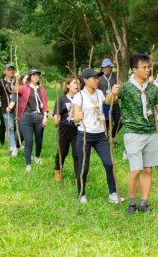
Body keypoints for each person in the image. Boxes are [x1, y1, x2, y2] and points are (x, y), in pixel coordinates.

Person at [106, 54, 158, 216]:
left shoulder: (152, 88)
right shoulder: (125, 87)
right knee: (136, 170)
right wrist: (113, 93)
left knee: (147, 170)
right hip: (133, 133)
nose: (148, 70)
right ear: (134, 69)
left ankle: (144, 203)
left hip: (151, 133)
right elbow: (108, 102)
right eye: (144, 67)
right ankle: (132, 203)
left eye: (149, 67)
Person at [73, 68, 122, 204]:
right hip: (84, 135)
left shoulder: (100, 93)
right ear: (85, 80)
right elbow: (75, 119)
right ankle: (81, 194)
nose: (97, 80)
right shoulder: (79, 96)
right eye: (94, 78)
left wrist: (113, 93)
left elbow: (106, 104)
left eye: (97, 77)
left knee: (109, 163)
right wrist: (78, 117)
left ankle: (112, 193)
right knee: (84, 166)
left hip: (100, 135)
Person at [15, 69, 48, 172]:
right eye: (34, 75)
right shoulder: (24, 88)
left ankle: (37, 157)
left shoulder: (41, 89)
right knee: (29, 141)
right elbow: (15, 91)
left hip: (39, 117)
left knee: (39, 141)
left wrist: (45, 117)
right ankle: (28, 164)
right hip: (27, 116)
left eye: (38, 75)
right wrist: (17, 80)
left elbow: (45, 103)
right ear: (29, 77)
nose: (36, 76)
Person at [52, 76, 80, 182]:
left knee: (77, 153)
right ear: (68, 85)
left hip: (77, 129)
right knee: (62, 152)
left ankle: (78, 176)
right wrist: (56, 119)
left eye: (79, 83)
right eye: (74, 83)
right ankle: (58, 170)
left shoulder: (81, 98)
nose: (77, 85)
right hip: (64, 129)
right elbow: (56, 114)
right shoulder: (61, 99)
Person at [0, 63, 18, 156]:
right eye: (9, 70)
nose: (11, 71)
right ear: (4, 72)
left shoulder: (17, 81)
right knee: (10, 127)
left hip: (18, 109)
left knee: (17, 128)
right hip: (5, 108)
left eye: (12, 69)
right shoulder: (1, 82)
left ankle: (15, 144)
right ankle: (12, 147)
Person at [98, 58, 122, 145]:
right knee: (107, 123)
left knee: (119, 121)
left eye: (109, 67)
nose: (107, 69)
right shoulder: (99, 78)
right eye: (105, 67)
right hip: (105, 104)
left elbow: (119, 88)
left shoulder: (116, 76)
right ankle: (106, 139)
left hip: (115, 103)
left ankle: (112, 136)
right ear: (102, 68)